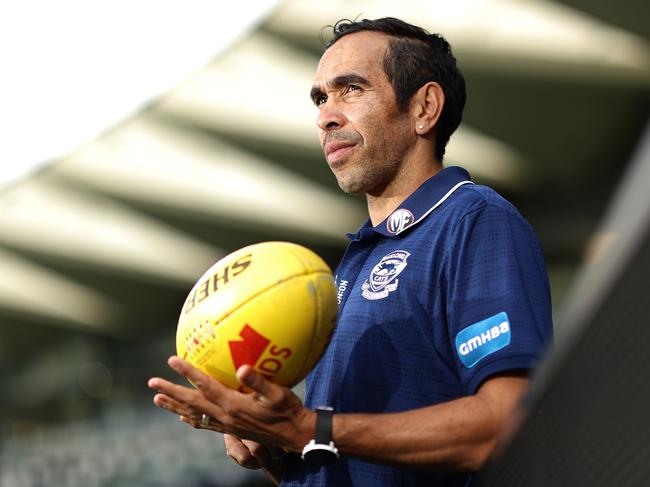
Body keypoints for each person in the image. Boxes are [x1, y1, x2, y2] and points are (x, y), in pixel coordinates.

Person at [148, 17, 553, 487]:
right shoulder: (352, 262)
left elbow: (508, 424)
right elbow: (341, 455)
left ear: (424, 108)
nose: (326, 116)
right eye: (320, 98)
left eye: (351, 90)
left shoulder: (472, 219)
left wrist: (309, 428)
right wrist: (276, 447)